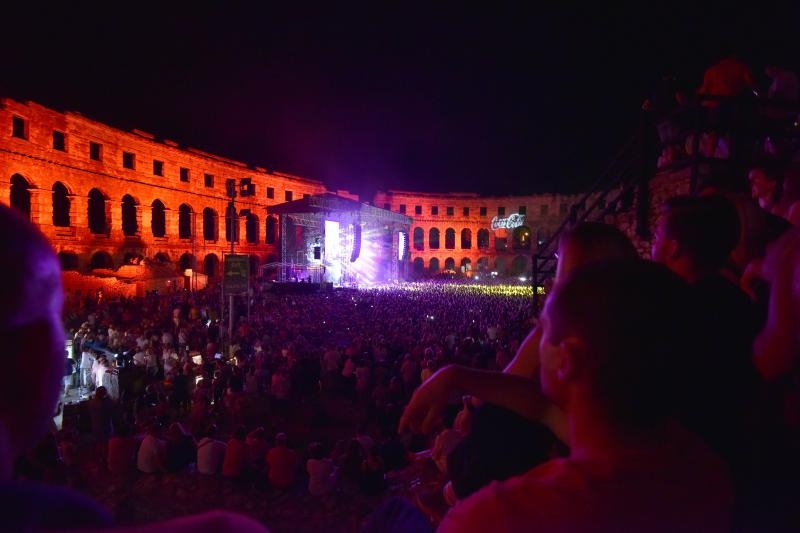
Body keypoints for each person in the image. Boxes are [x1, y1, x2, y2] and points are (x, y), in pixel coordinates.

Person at [438, 260, 734, 532]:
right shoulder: (707, 468)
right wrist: (457, 375)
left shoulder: (496, 517)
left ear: (566, 358)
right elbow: (541, 408)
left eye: (542, 330)